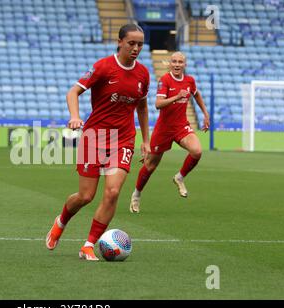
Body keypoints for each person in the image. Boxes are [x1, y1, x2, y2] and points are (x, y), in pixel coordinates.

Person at [45, 24, 151, 261]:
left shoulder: (143, 73)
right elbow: (73, 92)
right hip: (95, 137)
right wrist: (74, 116)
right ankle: (61, 221)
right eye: (131, 43)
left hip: (123, 139)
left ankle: (88, 245)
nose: (135, 48)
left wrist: (146, 140)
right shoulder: (104, 67)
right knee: (85, 196)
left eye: (140, 44)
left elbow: (142, 107)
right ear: (120, 41)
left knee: (112, 192)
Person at [129, 51, 210, 213]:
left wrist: (205, 114)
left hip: (181, 126)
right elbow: (158, 104)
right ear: (170, 64)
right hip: (163, 129)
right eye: (174, 61)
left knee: (197, 151)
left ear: (184, 64)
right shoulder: (165, 80)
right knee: (150, 166)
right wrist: (177, 96)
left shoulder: (189, 81)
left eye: (180, 62)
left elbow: (196, 94)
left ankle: (179, 177)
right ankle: (136, 195)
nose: (177, 64)